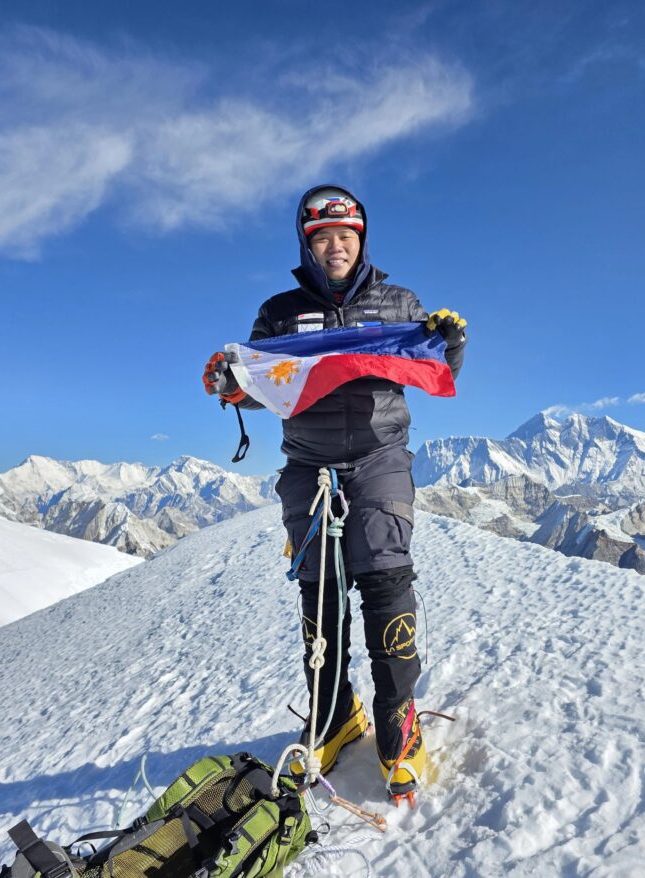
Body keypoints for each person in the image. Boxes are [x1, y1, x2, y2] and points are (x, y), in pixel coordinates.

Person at [203, 184, 466, 800]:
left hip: (379, 457)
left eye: (346, 236)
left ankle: (397, 725)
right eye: (324, 238)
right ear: (307, 243)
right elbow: (257, 384)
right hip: (308, 465)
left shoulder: (400, 303)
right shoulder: (278, 312)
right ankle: (333, 715)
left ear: (362, 240)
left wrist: (450, 344)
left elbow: (437, 368)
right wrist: (227, 381)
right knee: (319, 596)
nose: (336, 246)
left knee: (385, 582)